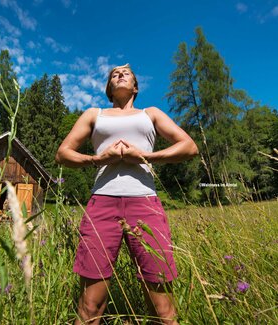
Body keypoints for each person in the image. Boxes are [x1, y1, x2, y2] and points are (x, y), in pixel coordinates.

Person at [55, 64, 199, 324]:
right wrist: (99, 159)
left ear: (135, 86)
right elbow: (63, 153)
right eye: (113, 74)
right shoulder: (94, 114)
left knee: (162, 308)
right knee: (90, 306)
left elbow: (189, 146)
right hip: (102, 204)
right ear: (109, 88)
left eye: (126, 73)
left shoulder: (150, 114)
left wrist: (144, 156)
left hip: (145, 204)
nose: (119, 74)